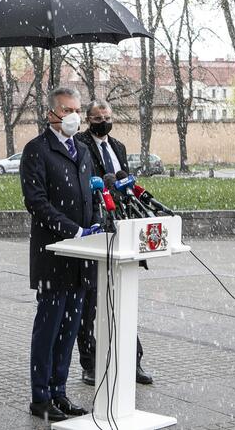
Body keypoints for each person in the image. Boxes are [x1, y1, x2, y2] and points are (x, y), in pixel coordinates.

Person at [20, 87, 101, 422]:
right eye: (67, 109)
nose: (74, 116)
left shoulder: (82, 149)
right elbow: (37, 203)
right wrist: (74, 231)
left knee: (69, 331)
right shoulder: (37, 150)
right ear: (51, 113)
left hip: (81, 258)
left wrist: (96, 224)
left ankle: (60, 392)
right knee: (49, 329)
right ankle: (41, 397)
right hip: (54, 257)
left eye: (77, 110)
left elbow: (90, 197)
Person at [74, 100, 153, 386]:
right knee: (91, 303)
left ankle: (133, 360)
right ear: (88, 119)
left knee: (123, 297)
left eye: (107, 117)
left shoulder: (118, 147)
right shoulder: (80, 144)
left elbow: (125, 182)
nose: (103, 122)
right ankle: (91, 362)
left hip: (122, 225)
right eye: (98, 118)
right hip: (95, 226)